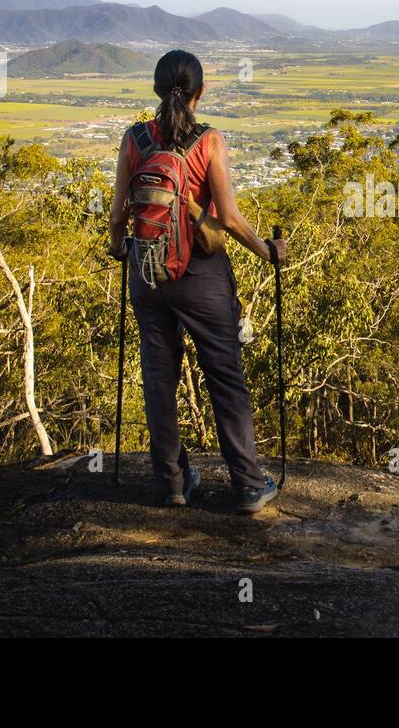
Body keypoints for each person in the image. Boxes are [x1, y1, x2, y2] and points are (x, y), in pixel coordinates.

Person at [109, 49, 287, 513]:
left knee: (158, 377)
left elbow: (117, 218)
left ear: (155, 89)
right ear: (200, 92)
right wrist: (268, 251)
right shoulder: (209, 140)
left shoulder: (134, 140)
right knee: (224, 375)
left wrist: (119, 249)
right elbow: (227, 217)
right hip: (200, 276)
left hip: (146, 271)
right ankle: (248, 483)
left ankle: (172, 481)